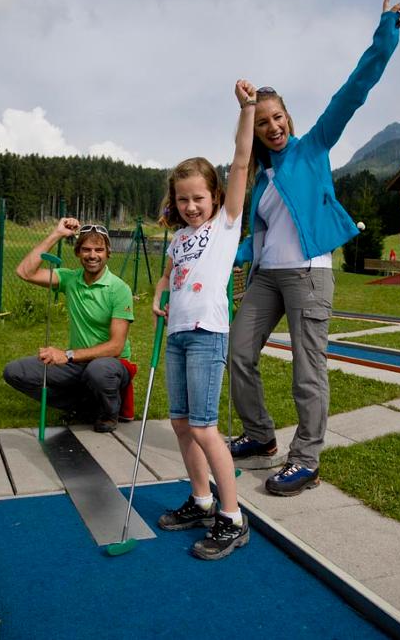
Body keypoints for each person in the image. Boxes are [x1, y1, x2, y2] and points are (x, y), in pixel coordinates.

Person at [229, 0, 400, 496]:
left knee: (308, 370)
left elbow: (354, 90)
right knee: (239, 353)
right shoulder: (260, 178)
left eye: (277, 118)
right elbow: (255, 236)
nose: (272, 127)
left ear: (289, 117)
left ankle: (305, 459)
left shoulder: (314, 148)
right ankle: (261, 435)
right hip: (266, 278)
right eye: (262, 123)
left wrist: (385, 32)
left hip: (309, 273)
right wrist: (225, 260)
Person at [152, 79, 255, 560]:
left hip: (207, 336)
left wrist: (248, 108)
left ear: (214, 197)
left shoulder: (225, 226)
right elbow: (170, 275)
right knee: (179, 423)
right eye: (182, 200)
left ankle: (231, 519)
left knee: (205, 427)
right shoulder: (177, 239)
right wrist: (158, 296)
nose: (190, 207)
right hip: (176, 336)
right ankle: (201, 499)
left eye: (198, 198)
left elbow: (239, 160)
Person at [2, 220, 134, 433]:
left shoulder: (119, 289)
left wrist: (68, 354)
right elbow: (25, 272)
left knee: (98, 370)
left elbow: (116, 347)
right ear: (78, 252)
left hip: (111, 364)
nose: (92, 255)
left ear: (108, 253)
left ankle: (109, 412)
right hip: (78, 364)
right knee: (15, 372)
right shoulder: (70, 279)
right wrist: (56, 234)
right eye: (86, 249)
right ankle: (83, 405)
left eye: (99, 250)